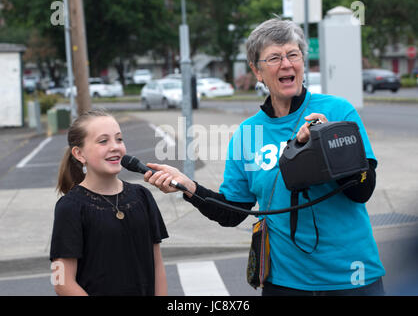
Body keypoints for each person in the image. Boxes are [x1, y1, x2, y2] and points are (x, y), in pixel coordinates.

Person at [144, 19, 385, 296]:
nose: (286, 64)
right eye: (274, 58)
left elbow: (363, 190)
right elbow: (233, 212)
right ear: (257, 71)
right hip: (284, 283)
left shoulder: (337, 111)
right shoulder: (247, 133)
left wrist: (328, 142)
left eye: (293, 55)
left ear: (303, 63)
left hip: (351, 278)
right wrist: (189, 187)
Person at [50, 109, 168, 296]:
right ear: (79, 153)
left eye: (119, 139)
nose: (115, 147)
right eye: (103, 141)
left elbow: (157, 265)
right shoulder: (70, 207)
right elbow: (61, 282)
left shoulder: (142, 196)